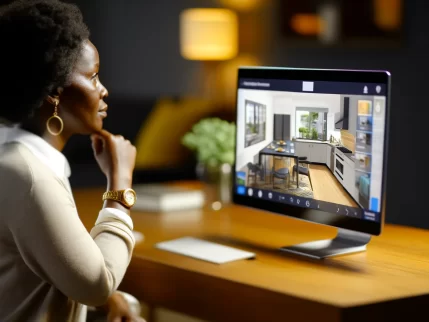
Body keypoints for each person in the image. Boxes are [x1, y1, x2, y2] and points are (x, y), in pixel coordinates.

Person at [0, 0, 145, 321]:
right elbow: (97, 284)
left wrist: (107, 301)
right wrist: (120, 185)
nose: (103, 90)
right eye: (93, 77)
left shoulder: (15, 154)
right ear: (54, 91)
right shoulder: (27, 175)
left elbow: (43, 264)